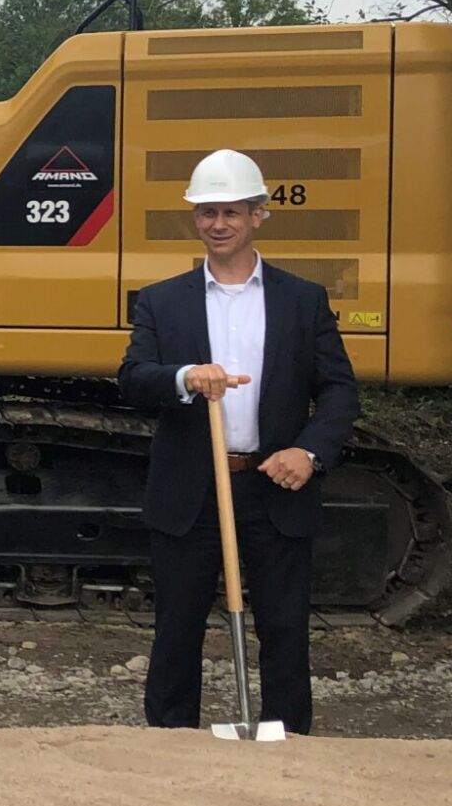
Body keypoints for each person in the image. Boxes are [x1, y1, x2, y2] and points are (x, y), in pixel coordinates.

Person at [118, 149, 359, 735]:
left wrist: (309, 452)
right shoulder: (162, 300)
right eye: (207, 213)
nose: (218, 224)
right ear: (195, 219)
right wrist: (183, 377)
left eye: (231, 212)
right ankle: (171, 742)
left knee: (284, 626)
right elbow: (133, 379)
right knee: (177, 628)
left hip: (274, 484)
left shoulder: (302, 300)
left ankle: (286, 740)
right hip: (191, 489)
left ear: (258, 215)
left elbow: (338, 391)